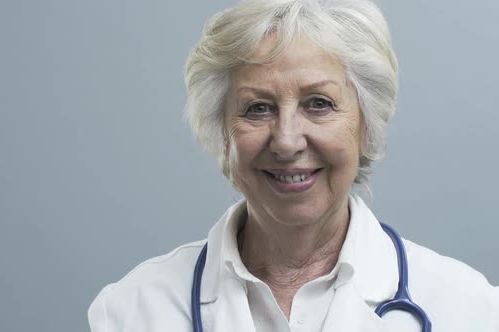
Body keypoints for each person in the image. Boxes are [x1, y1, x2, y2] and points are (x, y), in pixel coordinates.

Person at [88, 0, 499, 331]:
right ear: (223, 134)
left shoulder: (469, 310)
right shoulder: (130, 311)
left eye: (318, 103)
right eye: (258, 107)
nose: (286, 140)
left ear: (366, 127)